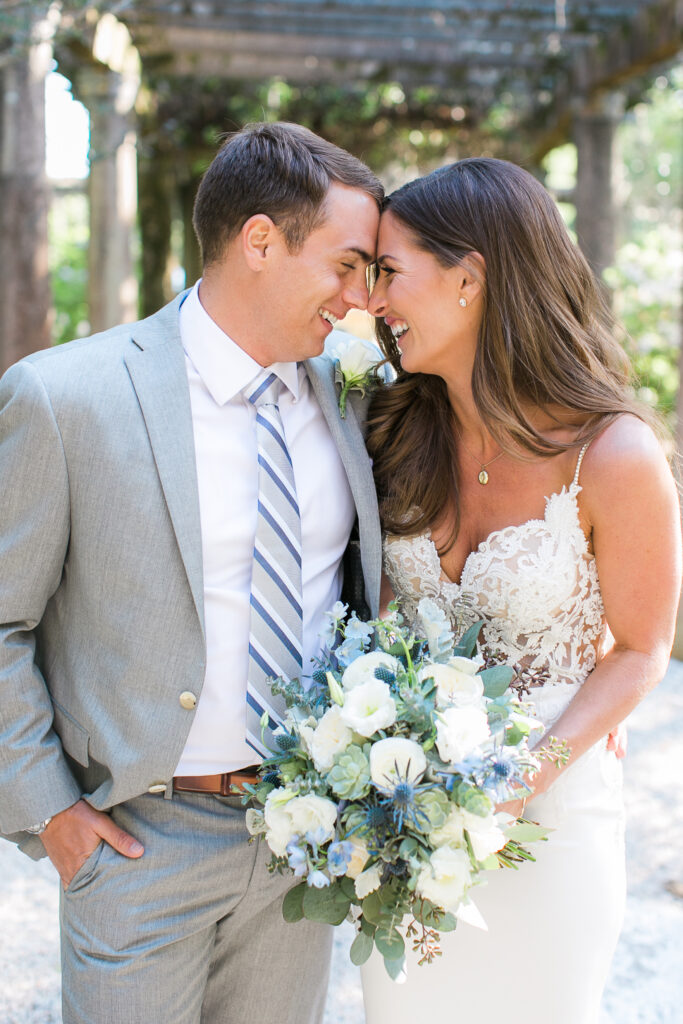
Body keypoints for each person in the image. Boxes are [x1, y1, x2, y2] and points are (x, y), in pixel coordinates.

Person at [0, 121, 383, 1024]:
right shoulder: (65, 399)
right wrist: (51, 811)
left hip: (305, 841)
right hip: (138, 844)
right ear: (259, 241)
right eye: (347, 263)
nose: (358, 295)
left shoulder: (356, 395)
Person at [361, 157, 681, 1023]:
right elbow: (380, 619)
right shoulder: (392, 430)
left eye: (388, 271)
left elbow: (643, 650)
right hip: (401, 819)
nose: (371, 300)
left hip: (551, 826)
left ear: (469, 276)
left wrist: (513, 784)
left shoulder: (611, 455)